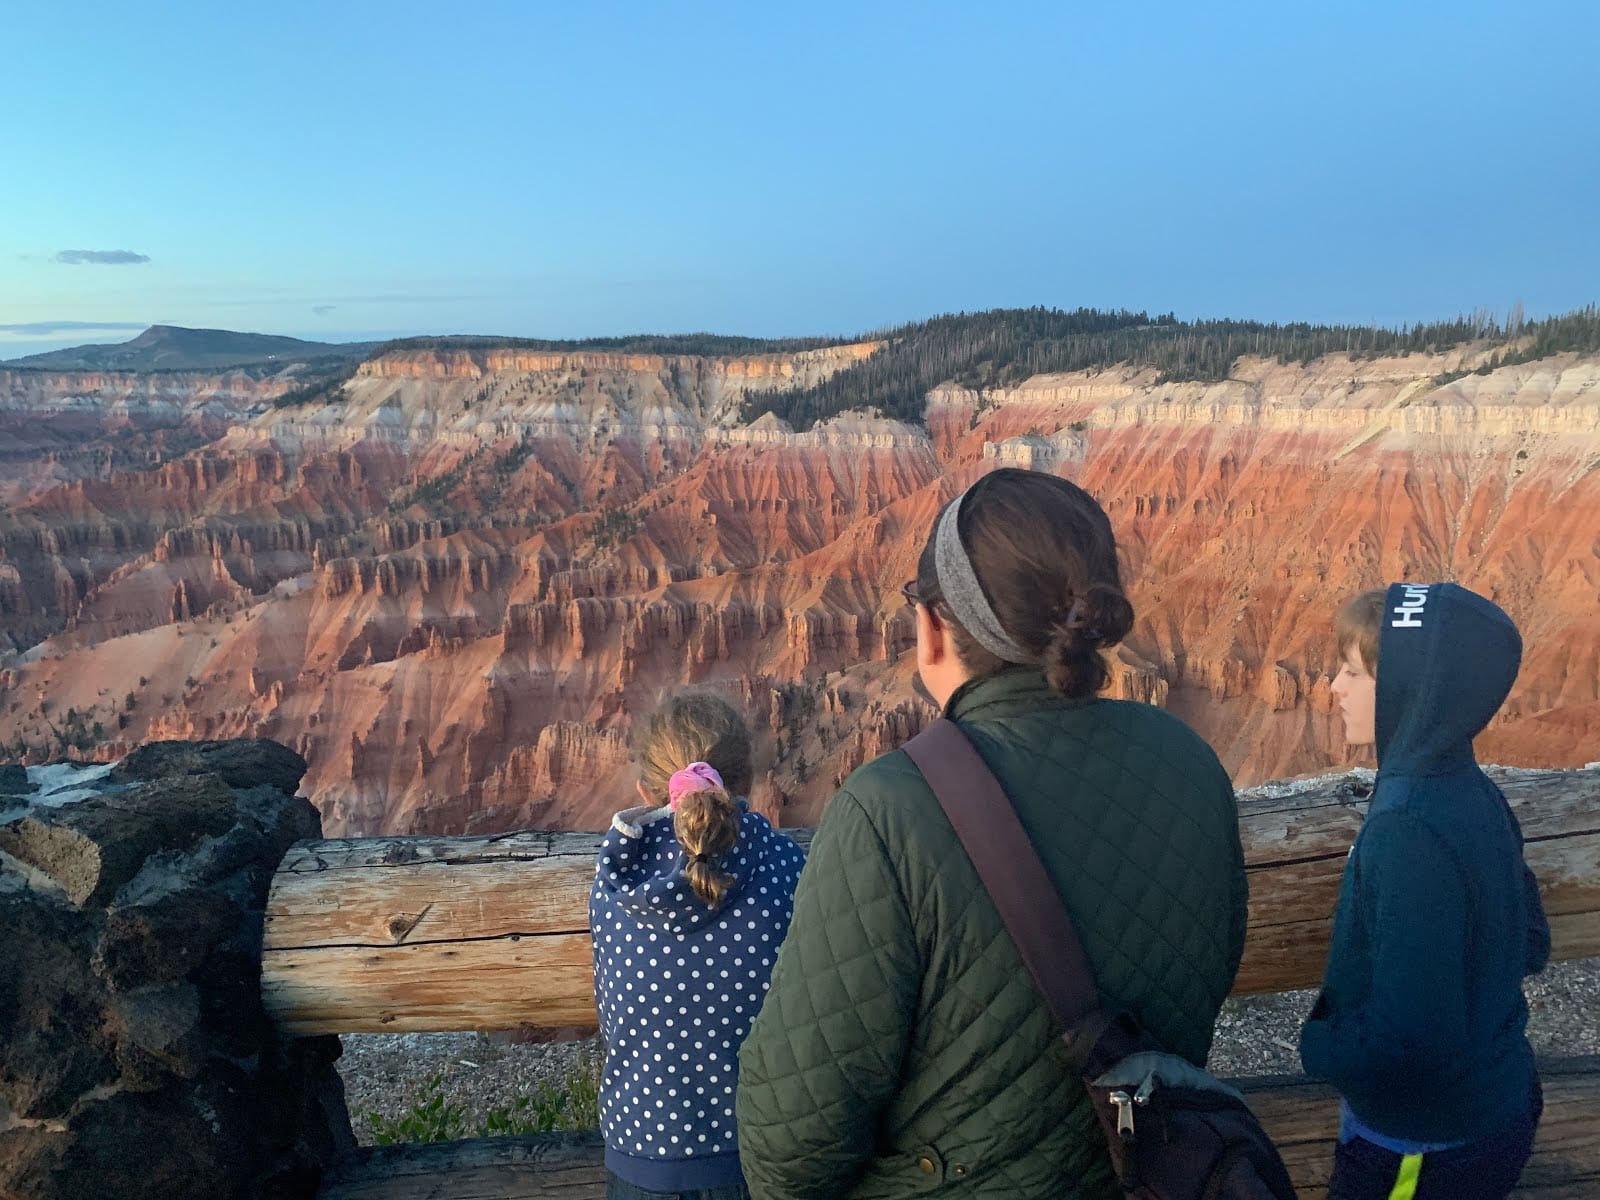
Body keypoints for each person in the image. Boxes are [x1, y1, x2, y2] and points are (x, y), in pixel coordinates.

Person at [735, 467, 1249, 1199]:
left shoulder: (890, 810)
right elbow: (1211, 970)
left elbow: (791, 1142)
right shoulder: (1191, 762)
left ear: (935, 625)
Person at [1300, 583, 1550, 1200]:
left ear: (1412, 695)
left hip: (1421, 1143)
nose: (1334, 687)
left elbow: (1410, 1039)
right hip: (1496, 1104)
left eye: (1353, 673)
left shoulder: (1406, 828)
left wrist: (1318, 1046)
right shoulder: (1473, 791)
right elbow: (1532, 943)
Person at [591, 692, 806, 1200]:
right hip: (762, 1156)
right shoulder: (784, 864)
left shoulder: (614, 875)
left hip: (640, 1161)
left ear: (646, 787)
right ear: (745, 782)